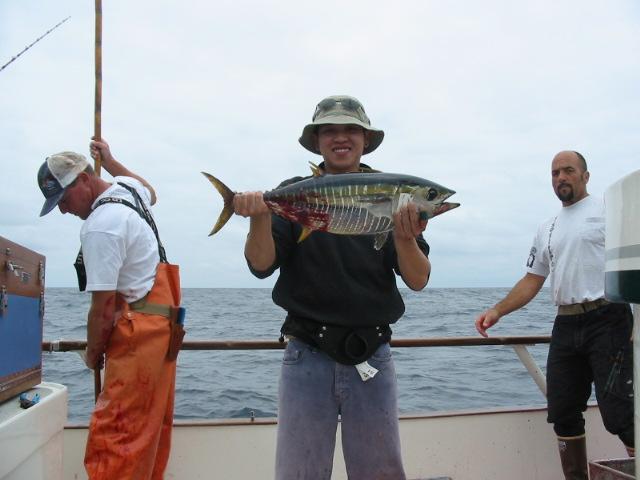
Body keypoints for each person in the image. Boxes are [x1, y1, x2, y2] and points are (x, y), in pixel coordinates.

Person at [233, 95, 431, 479]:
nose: (341, 138)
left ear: (365, 139)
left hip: (372, 355)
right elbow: (261, 265)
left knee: (381, 474)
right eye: (330, 131)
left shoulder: (394, 195)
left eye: (351, 130)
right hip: (306, 355)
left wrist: (404, 237)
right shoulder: (295, 191)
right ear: (318, 141)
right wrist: (259, 216)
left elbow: (418, 279)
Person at [475, 150, 634, 479]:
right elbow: (533, 280)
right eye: (555, 173)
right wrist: (497, 310)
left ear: (585, 176)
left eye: (568, 171)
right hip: (566, 323)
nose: (560, 177)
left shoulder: (609, 211)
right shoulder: (547, 228)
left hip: (608, 318)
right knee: (562, 412)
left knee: (619, 413)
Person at [37, 139, 183, 480]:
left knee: (117, 435)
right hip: (164, 330)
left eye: (63, 199)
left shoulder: (101, 225)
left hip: (138, 336)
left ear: (85, 180)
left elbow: (102, 310)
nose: (62, 210)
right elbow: (151, 190)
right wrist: (113, 162)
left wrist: (92, 353)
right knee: (148, 430)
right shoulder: (127, 188)